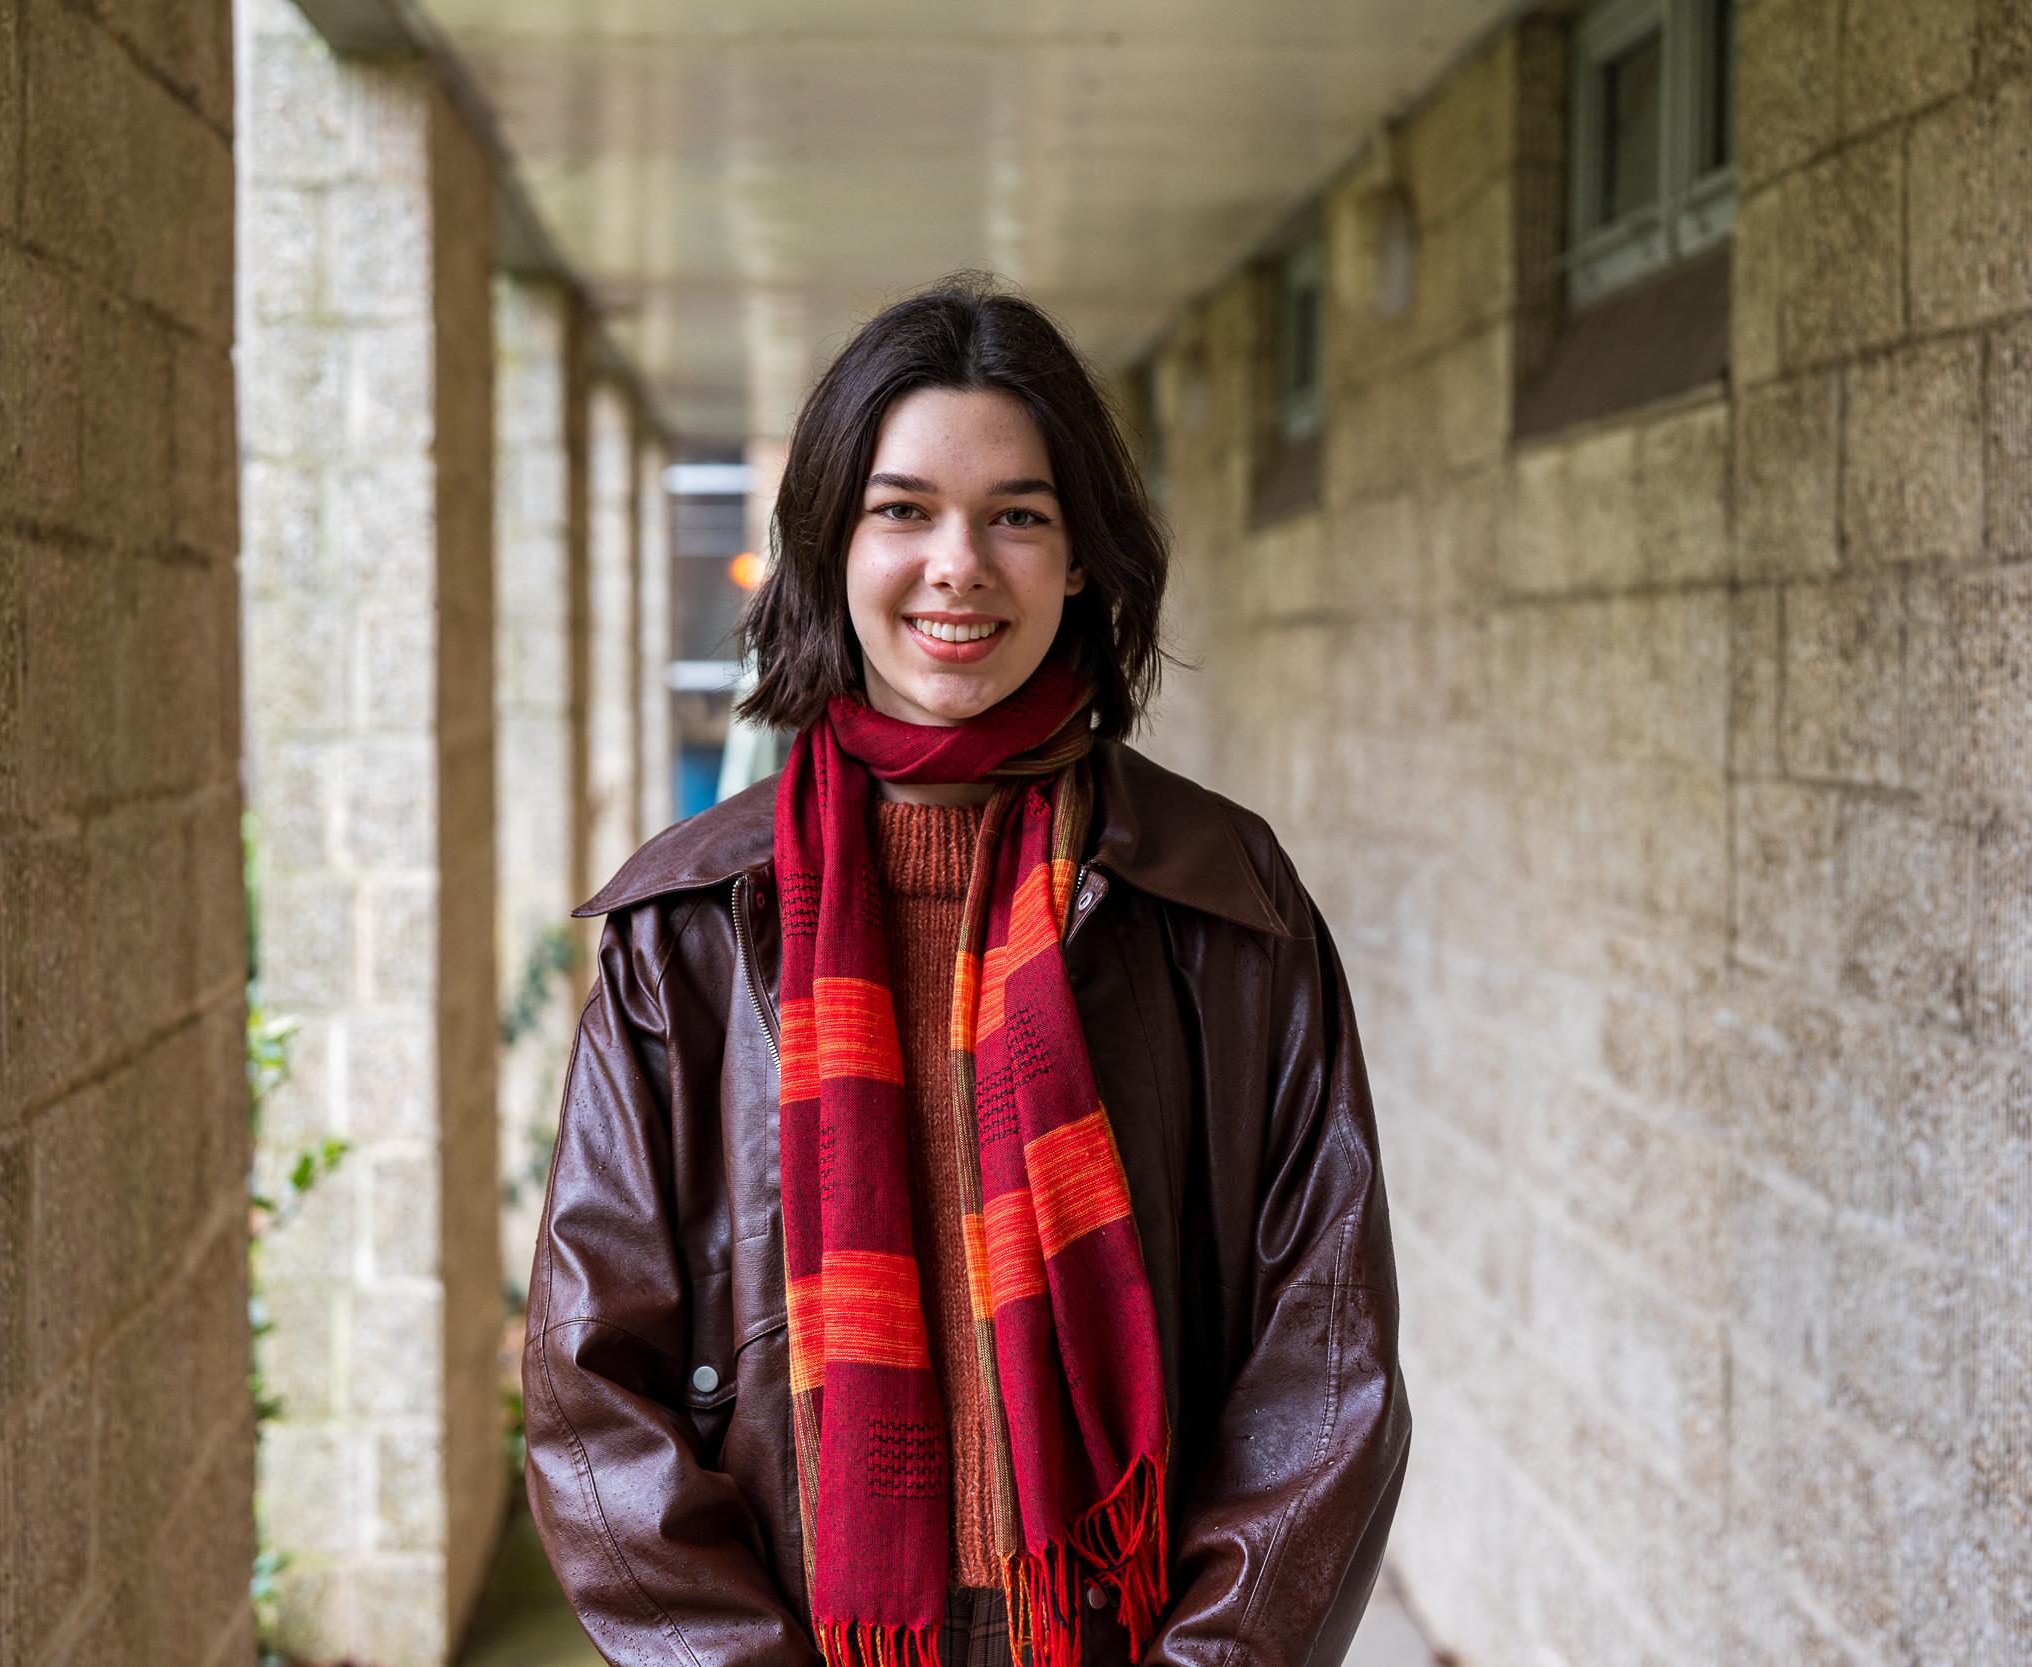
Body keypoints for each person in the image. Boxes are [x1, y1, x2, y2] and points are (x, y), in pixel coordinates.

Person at [524, 279, 1407, 1667]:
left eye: (1018, 515)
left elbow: (1328, 1360)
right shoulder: (688, 930)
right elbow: (590, 1393)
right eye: (904, 510)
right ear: (831, 543)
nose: (960, 566)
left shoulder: (1223, 900)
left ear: (1082, 559)